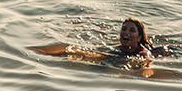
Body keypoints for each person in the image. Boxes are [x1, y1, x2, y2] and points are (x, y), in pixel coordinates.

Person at [29, 17, 158, 72]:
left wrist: (144, 73)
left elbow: (145, 66)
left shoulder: (144, 52)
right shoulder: (114, 49)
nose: (126, 33)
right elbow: (82, 51)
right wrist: (46, 52)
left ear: (139, 37)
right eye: (124, 29)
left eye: (132, 30)